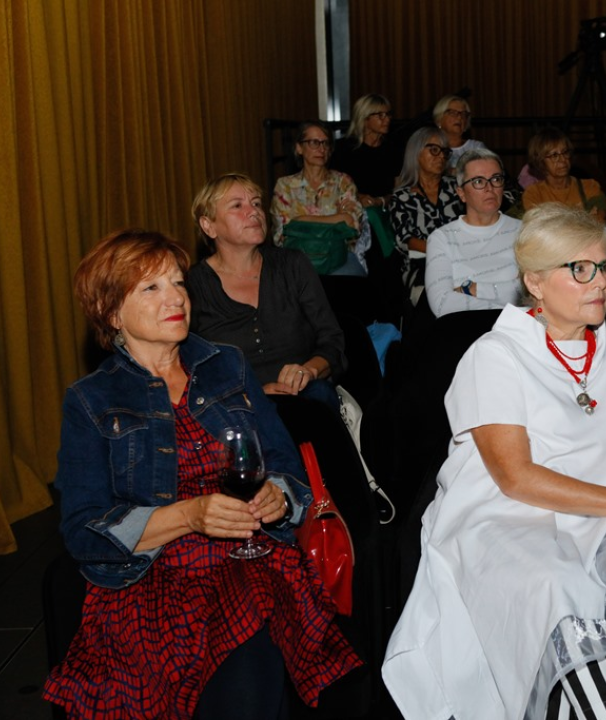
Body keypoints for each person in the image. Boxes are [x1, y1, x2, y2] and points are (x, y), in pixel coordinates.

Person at [383, 204, 606, 720]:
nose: (601, 282)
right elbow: (517, 479)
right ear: (535, 282)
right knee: (560, 587)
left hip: (597, 518)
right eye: (580, 269)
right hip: (501, 518)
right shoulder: (496, 354)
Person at [42, 230, 359, 720]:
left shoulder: (226, 365)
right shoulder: (91, 399)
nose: (175, 298)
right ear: (111, 312)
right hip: (152, 577)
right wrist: (190, 516)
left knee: (252, 629)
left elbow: (284, 466)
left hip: (248, 558)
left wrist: (278, 496)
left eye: (178, 283)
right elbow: (83, 529)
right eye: (151, 288)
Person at [188, 173, 347, 414]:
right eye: (237, 205)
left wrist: (309, 370)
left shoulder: (292, 265)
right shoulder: (192, 286)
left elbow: (332, 340)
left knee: (318, 396)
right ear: (208, 226)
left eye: (256, 203)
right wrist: (251, 396)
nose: (254, 212)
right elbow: (188, 369)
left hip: (305, 400)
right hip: (237, 411)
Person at [425, 148, 522, 317]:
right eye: (478, 181)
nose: (489, 188)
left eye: (496, 179)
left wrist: (474, 290)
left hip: (519, 329)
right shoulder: (442, 238)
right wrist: (510, 310)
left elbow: (534, 291)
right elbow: (442, 304)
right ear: (461, 193)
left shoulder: (524, 231)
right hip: (466, 329)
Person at [270, 120, 369, 276]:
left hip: (337, 258)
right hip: (298, 259)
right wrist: (336, 219)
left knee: (353, 281)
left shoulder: (343, 182)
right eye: (314, 142)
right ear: (299, 148)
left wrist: (301, 220)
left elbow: (352, 225)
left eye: (325, 143)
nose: (321, 149)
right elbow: (282, 235)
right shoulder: (285, 186)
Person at [388, 127, 463, 299]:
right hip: (422, 266)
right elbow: (408, 241)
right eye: (434, 150)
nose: (441, 156)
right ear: (416, 153)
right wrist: (448, 253)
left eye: (445, 152)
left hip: (464, 262)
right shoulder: (402, 198)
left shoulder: (457, 188)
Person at [521, 127, 606, 223]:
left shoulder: (589, 186)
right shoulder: (534, 193)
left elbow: (600, 219)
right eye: (554, 155)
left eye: (565, 152)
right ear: (540, 161)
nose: (563, 159)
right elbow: (537, 225)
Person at [330, 93, 402, 208]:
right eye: (380, 115)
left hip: (386, 208)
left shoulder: (393, 148)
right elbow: (333, 185)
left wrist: (380, 201)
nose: (387, 119)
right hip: (350, 207)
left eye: (388, 114)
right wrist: (359, 197)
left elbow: (400, 189)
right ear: (364, 119)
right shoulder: (343, 149)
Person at [434, 94, 486, 172]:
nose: (459, 117)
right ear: (439, 119)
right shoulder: (431, 149)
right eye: (452, 113)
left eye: (463, 114)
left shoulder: (477, 148)